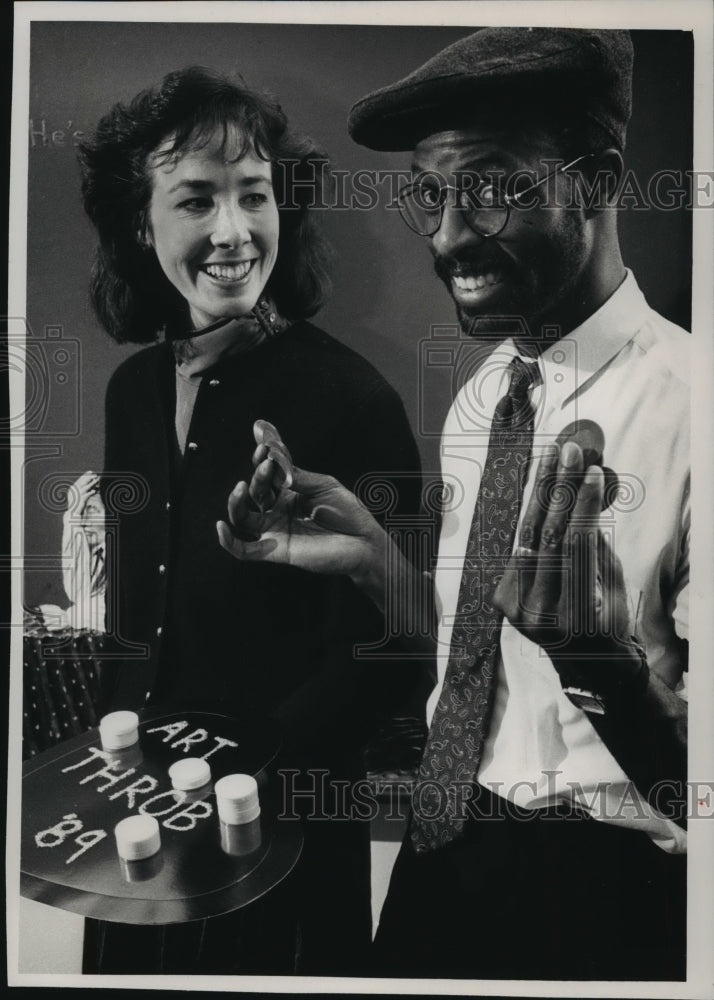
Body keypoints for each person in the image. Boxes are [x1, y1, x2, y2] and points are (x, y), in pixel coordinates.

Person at [218, 28, 689, 980]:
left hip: (613, 886)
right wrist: (366, 557)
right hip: (447, 852)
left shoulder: (698, 407)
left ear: (595, 183)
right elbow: (473, 657)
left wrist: (602, 663)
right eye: (430, 196)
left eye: (489, 188)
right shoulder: (482, 399)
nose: (446, 235)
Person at [77, 65, 426, 975]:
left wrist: (256, 776)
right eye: (195, 200)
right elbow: (133, 623)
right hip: (138, 823)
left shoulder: (354, 396)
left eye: (255, 197)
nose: (233, 232)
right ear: (138, 223)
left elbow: (401, 648)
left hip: (286, 839)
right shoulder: (130, 391)